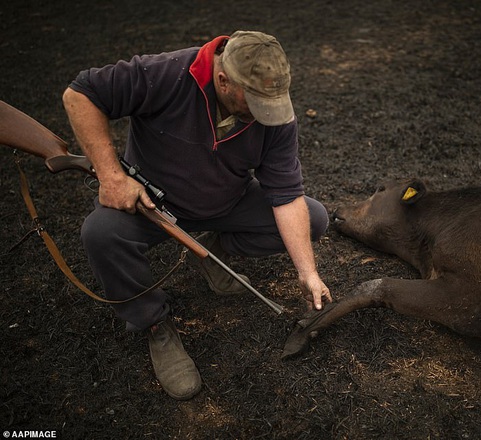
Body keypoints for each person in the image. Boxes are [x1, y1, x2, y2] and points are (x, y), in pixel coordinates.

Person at [62, 31, 333, 400]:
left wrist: (308, 272)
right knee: (100, 233)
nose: (265, 114)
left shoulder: (274, 115)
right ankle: (153, 323)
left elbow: (286, 197)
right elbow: (79, 94)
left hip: (226, 203)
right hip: (153, 207)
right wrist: (112, 176)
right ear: (222, 80)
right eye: (254, 102)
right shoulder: (165, 73)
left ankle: (210, 251)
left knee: (313, 218)